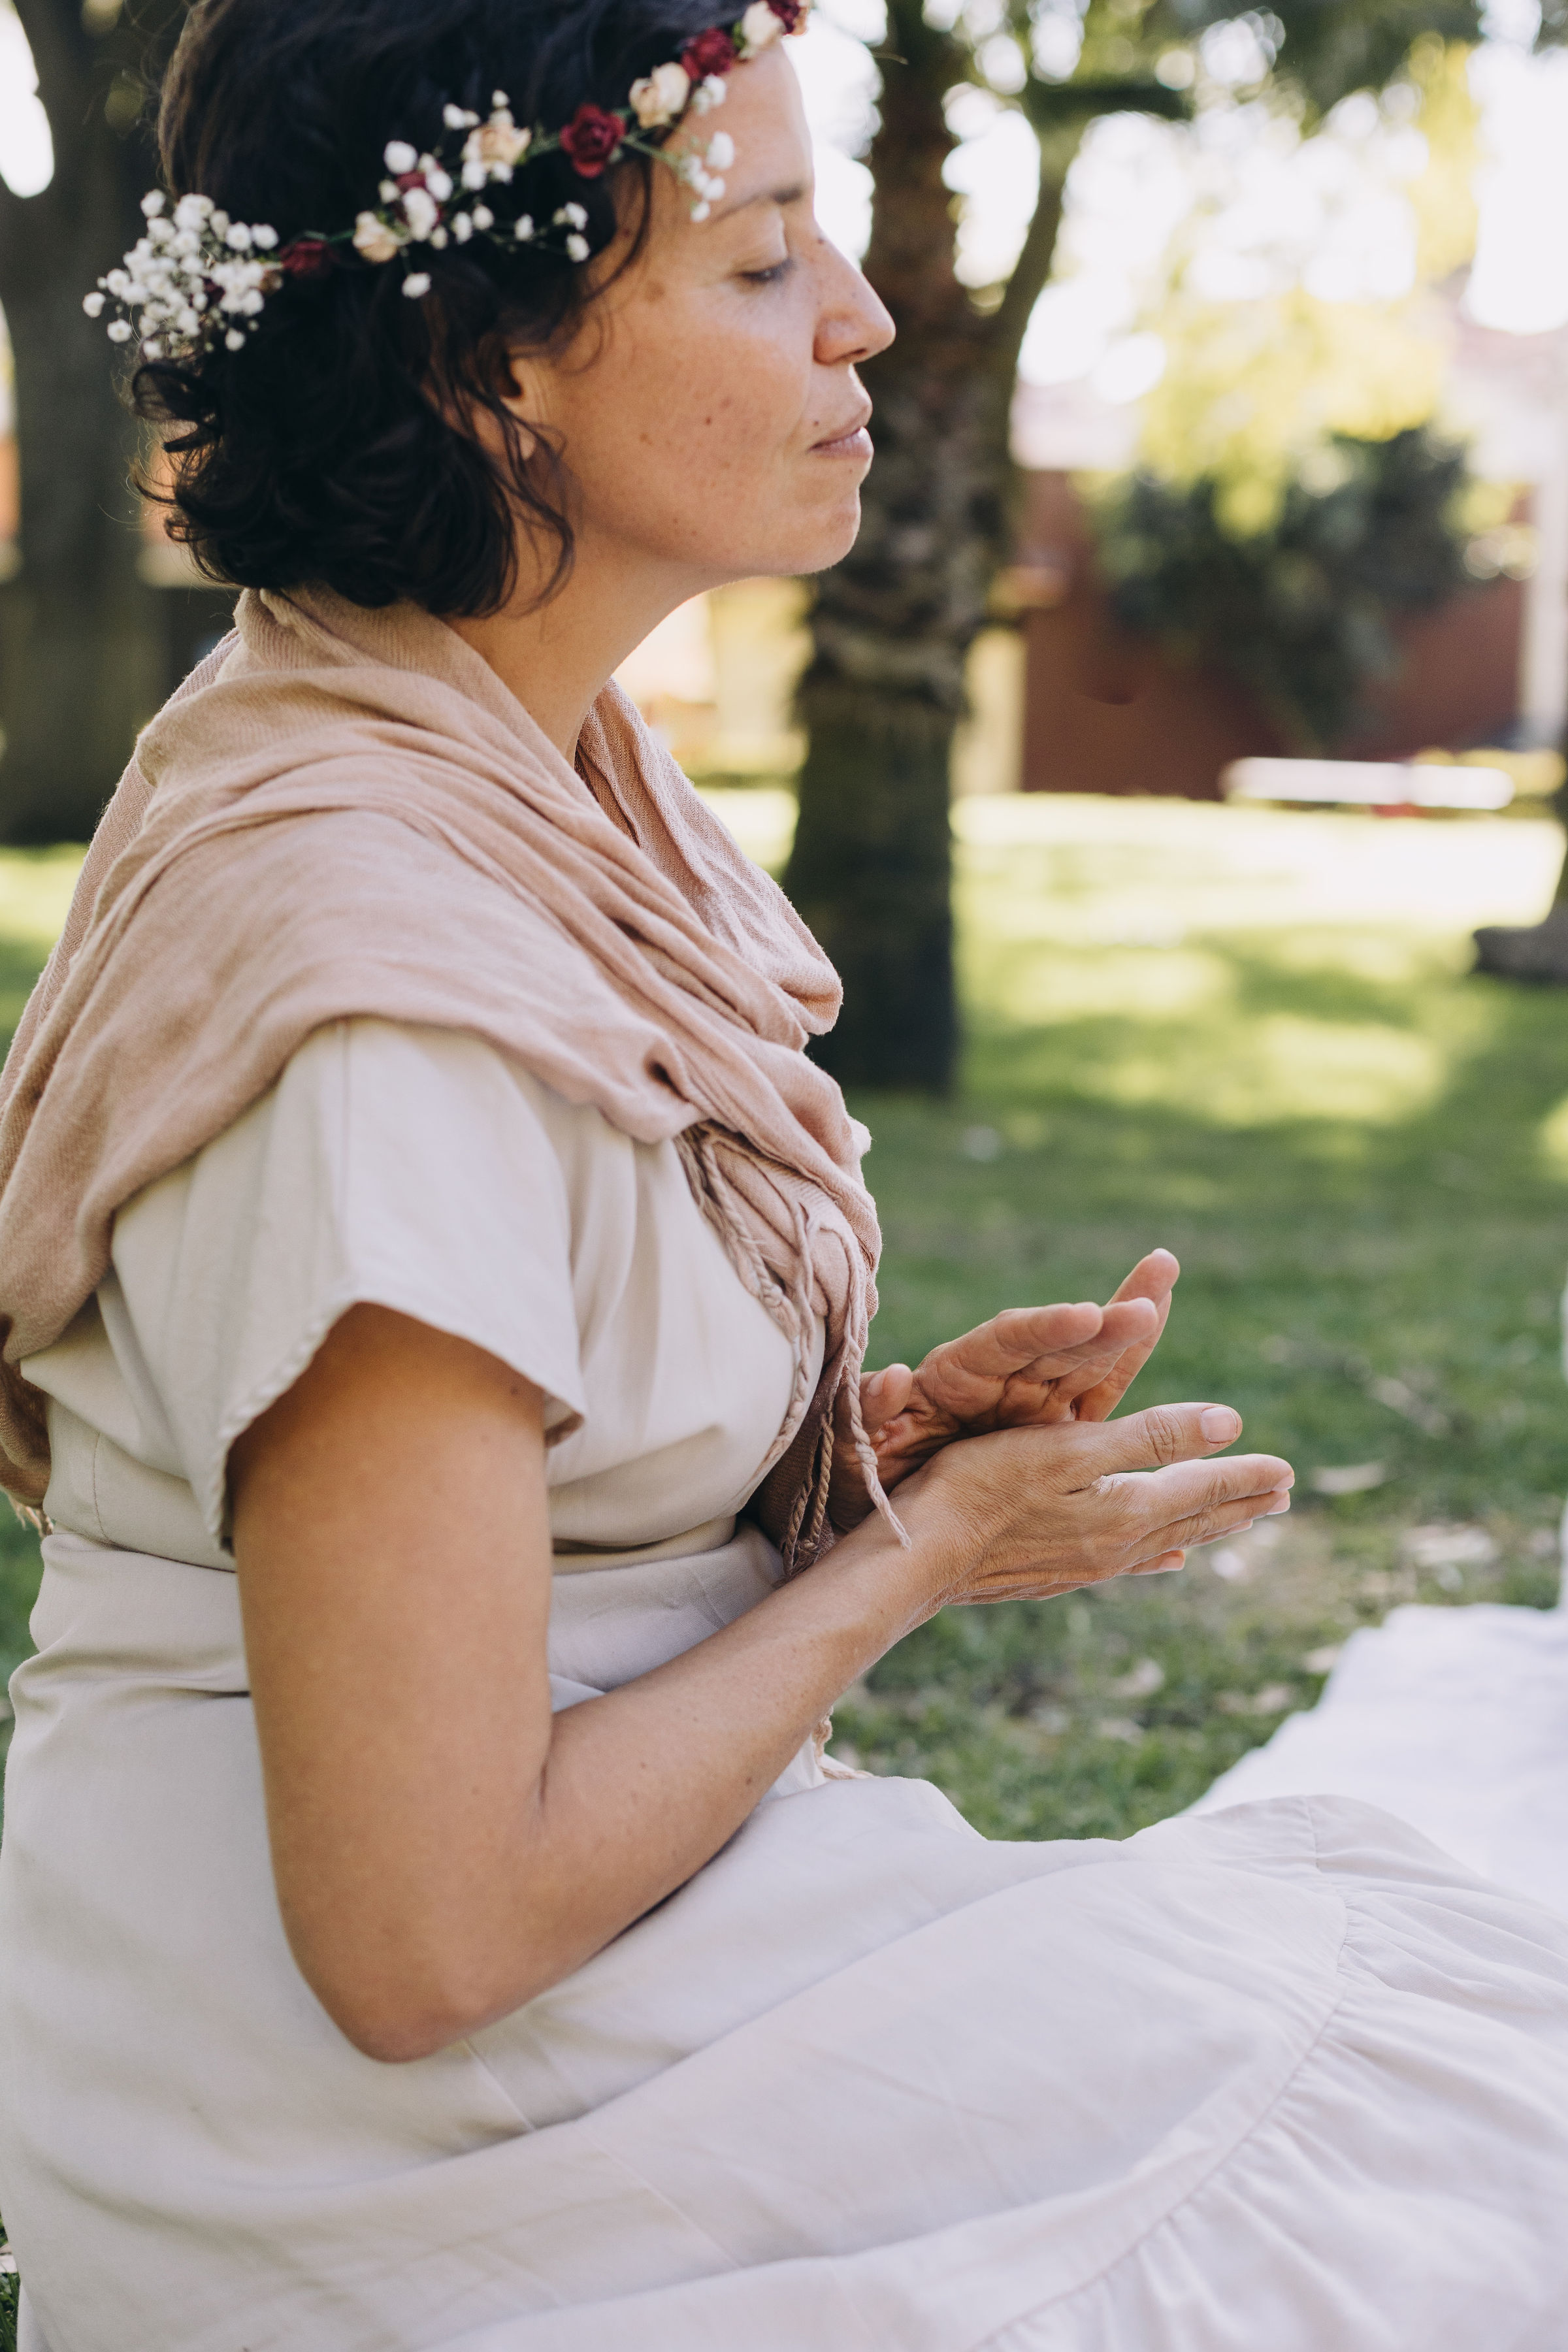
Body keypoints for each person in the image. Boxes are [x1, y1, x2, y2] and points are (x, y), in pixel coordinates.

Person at [1, 6, 1566, 2347]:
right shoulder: (380, 1001)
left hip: (556, 2006)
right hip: (394, 2155)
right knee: (1439, 2168)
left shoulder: (487, 757)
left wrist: (831, 1460)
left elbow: (473, 1470)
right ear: (486, 366)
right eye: (758, 262)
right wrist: (917, 1568)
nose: (862, 316)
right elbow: (419, 1946)